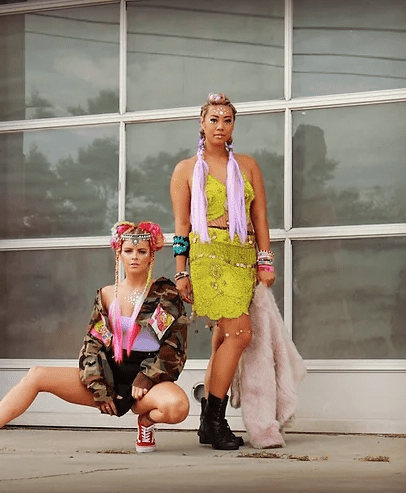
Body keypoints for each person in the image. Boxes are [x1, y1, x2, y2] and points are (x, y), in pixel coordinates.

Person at [0, 221, 190, 455]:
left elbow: (174, 346)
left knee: (178, 407)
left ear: (151, 256)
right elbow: (92, 344)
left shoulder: (165, 294)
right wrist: (98, 386)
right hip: (108, 376)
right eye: (128, 250)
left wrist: (146, 378)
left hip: (146, 382)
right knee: (37, 374)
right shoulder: (106, 294)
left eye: (141, 251)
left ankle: (145, 422)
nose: (134, 256)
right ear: (119, 255)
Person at [169, 92, 275, 450]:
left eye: (226, 120)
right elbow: (181, 226)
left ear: (233, 127)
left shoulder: (247, 166)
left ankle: (206, 423)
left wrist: (265, 259)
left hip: (243, 257)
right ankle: (216, 421)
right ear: (202, 124)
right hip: (209, 257)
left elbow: (259, 217)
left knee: (224, 338)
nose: (220, 126)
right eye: (213, 119)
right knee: (240, 333)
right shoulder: (186, 169)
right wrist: (181, 272)